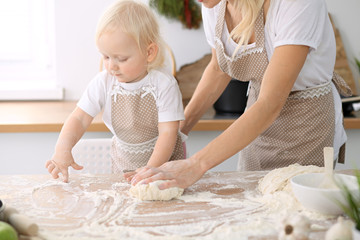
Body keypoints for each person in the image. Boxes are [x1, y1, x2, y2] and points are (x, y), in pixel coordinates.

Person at [127, 0, 352, 189]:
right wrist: (179, 132)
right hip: (255, 127)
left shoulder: (296, 4)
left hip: (306, 128)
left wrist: (196, 165)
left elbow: (271, 103)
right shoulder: (215, 5)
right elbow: (218, 68)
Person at [45, 0, 185, 183]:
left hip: (163, 169)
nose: (111, 66)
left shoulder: (164, 85)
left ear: (149, 52)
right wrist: (62, 149)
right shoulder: (104, 82)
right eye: (106, 56)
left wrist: (149, 171)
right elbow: (79, 118)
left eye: (121, 59)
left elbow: (168, 133)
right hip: (122, 168)